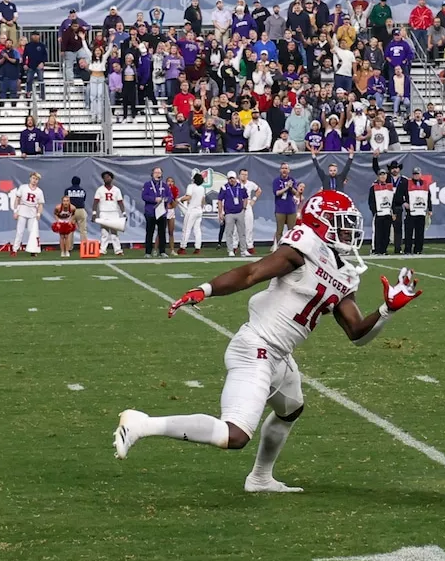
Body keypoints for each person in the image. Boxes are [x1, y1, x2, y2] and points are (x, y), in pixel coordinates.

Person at [113, 192, 422, 494]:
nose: (348, 230)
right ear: (320, 222)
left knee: (290, 410)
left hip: (280, 355)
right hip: (256, 348)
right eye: (340, 222)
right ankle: (143, 424)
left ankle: (260, 478)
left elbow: (357, 333)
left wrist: (387, 310)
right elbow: (252, 273)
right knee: (234, 435)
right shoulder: (305, 245)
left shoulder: (344, 272)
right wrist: (205, 289)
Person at [368, 162, 402, 256]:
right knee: (378, 233)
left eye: (384, 175)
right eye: (381, 175)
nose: (382, 177)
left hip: (387, 213)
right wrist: (374, 211)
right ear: (378, 177)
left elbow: (393, 201)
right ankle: (377, 250)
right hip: (379, 213)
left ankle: (384, 250)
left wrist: (393, 212)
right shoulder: (373, 187)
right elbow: (371, 201)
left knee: (386, 233)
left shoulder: (390, 187)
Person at [11, 172, 45, 255]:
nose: (34, 180)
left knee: (32, 231)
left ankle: (32, 250)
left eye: (36, 179)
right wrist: (15, 211)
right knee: (20, 231)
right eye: (33, 178)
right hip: (23, 209)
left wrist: (38, 214)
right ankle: (15, 249)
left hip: (33, 211)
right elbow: (17, 199)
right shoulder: (23, 188)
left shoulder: (39, 191)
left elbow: (40, 204)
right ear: (30, 178)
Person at [93, 171, 125, 256]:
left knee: (114, 233)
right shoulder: (100, 189)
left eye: (108, 177)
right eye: (105, 177)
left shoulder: (116, 190)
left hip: (114, 212)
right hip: (104, 212)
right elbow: (95, 202)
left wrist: (124, 213)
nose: (106, 178)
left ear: (111, 178)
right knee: (104, 232)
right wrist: (94, 213)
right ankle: (102, 250)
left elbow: (120, 202)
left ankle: (118, 250)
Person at [403, 167, 435, 254]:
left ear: (421, 174)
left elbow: (428, 197)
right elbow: (399, 194)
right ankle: (408, 250)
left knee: (420, 232)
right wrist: (404, 203)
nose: (416, 175)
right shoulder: (407, 183)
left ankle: (418, 250)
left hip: (421, 212)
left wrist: (430, 209)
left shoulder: (425, 183)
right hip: (411, 212)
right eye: (415, 174)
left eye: (417, 174)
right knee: (408, 232)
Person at [141, 167, 170, 258]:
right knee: (150, 232)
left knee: (162, 233)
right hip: (151, 212)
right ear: (152, 174)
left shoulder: (164, 185)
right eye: (156, 172)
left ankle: (162, 251)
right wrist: (154, 199)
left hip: (162, 212)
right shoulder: (147, 184)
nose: (158, 174)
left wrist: (164, 200)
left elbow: (170, 196)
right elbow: (144, 196)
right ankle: (148, 252)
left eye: (159, 173)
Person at [220, 172, 249, 257]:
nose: (231, 180)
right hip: (229, 213)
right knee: (229, 232)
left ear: (236, 178)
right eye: (230, 178)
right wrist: (220, 213)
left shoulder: (241, 186)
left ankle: (244, 250)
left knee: (242, 232)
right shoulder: (224, 188)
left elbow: (246, 197)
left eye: (233, 178)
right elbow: (220, 200)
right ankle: (230, 250)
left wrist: (244, 208)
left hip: (239, 212)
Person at [178, 173, 207, 254]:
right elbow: (203, 200)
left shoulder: (191, 186)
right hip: (199, 211)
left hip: (192, 210)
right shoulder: (202, 188)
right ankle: (198, 248)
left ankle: (182, 248)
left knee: (186, 229)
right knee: (197, 230)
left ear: (193, 179)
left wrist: (180, 199)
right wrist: (201, 208)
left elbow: (188, 197)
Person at [272, 162, 299, 249]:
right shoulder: (276, 181)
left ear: (289, 170)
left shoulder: (292, 180)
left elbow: (296, 193)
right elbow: (277, 193)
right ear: (280, 170)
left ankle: (291, 247)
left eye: (286, 168)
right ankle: (279, 247)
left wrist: (291, 187)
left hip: (291, 209)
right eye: (283, 168)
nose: (284, 170)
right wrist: (286, 188)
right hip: (280, 209)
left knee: (291, 230)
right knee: (279, 230)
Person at [64, 175, 88, 253]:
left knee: (70, 230)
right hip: (81, 210)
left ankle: (69, 247)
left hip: (71, 210)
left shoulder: (67, 190)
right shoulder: (83, 190)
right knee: (83, 230)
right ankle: (84, 247)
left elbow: (66, 201)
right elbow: (83, 199)